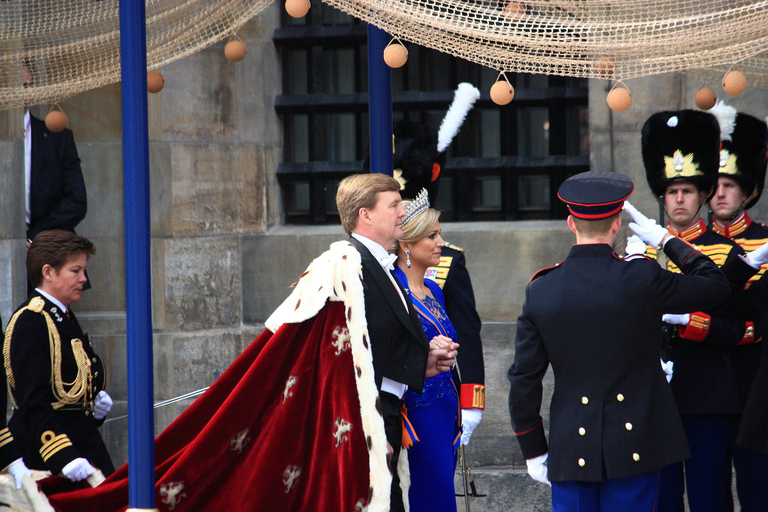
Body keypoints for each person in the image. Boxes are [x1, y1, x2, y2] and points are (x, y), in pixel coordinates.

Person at [508, 170, 730, 512]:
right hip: (635, 443)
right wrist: (666, 239)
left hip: (570, 448)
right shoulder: (640, 278)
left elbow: (524, 380)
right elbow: (716, 285)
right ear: (616, 225)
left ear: (571, 223)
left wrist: (534, 449)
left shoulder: (541, 289)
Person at [641, 109, 748, 512]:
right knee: (662, 499)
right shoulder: (644, 252)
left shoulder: (728, 252)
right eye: (671, 192)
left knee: (709, 497)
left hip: (708, 392)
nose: (679, 199)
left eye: (687, 191)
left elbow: (742, 326)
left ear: (703, 196)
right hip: (656, 398)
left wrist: (689, 322)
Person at [336, 173, 456, 512]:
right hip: (381, 418)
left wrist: (426, 361)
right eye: (393, 206)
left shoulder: (381, 266)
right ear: (366, 215)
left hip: (403, 411)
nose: (402, 212)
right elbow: (347, 354)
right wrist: (370, 430)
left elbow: (382, 344)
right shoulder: (348, 264)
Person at [3, 230, 114, 482]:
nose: (83, 279)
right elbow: (33, 402)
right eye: (75, 271)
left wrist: (94, 409)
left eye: (83, 271)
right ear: (48, 272)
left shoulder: (62, 315)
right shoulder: (31, 320)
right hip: (47, 453)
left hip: (82, 443)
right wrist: (63, 457)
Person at [706, 103, 768, 512]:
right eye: (716, 184)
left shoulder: (764, 241)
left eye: (731, 185)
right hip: (705, 387)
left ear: (747, 190)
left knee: (758, 492)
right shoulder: (687, 246)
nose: (722, 193)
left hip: (753, 385)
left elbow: (754, 314)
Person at [390, 190, 461, 512]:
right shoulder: (392, 289)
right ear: (407, 244)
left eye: (440, 234)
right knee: (432, 498)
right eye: (432, 236)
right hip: (417, 411)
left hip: (448, 407)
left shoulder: (433, 288)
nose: (441, 242)